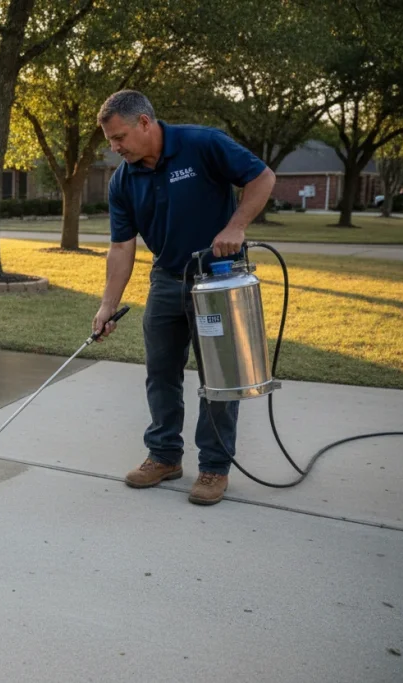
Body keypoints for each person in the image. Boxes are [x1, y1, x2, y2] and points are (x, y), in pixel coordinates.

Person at [91, 90, 276, 505]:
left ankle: (213, 467)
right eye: (110, 141)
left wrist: (237, 226)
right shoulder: (123, 180)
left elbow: (262, 177)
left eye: (119, 137)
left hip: (217, 279)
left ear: (144, 122)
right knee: (161, 372)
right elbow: (122, 247)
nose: (115, 148)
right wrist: (107, 306)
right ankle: (164, 456)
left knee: (220, 378)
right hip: (167, 280)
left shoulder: (201, 143)